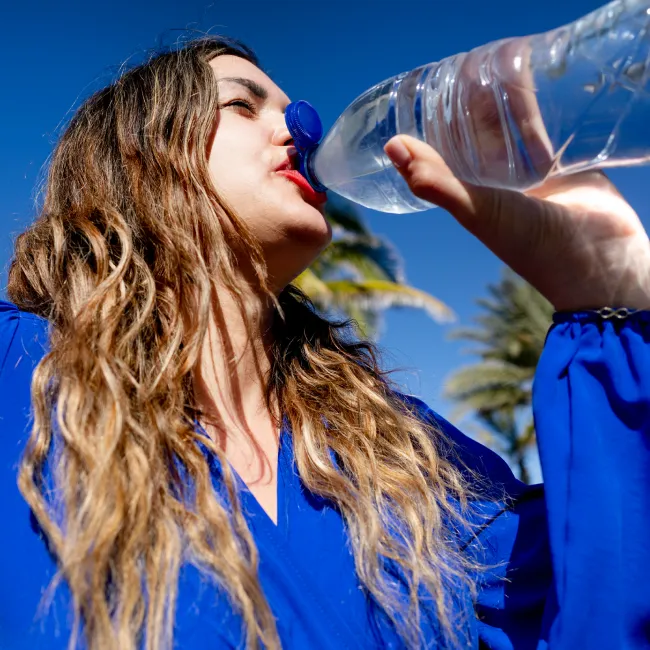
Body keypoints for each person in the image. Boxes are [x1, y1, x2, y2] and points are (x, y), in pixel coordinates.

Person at [1, 35, 649, 650]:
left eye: (292, 111)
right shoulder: (19, 374)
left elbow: (601, 595)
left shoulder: (401, 457)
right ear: (139, 154)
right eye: (242, 104)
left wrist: (601, 284)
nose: (303, 132)